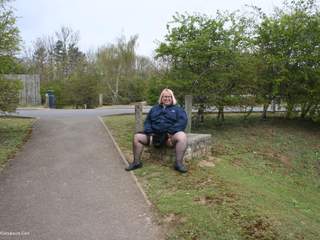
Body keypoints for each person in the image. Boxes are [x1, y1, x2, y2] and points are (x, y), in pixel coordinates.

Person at [125, 88, 188, 173]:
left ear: (172, 98)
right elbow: (147, 122)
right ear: (161, 98)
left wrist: (170, 132)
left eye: (169, 96)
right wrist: (150, 132)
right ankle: (136, 162)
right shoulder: (154, 109)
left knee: (182, 136)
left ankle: (178, 164)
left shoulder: (178, 109)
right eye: (165, 96)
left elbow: (182, 122)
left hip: (168, 138)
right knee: (137, 137)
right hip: (153, 137)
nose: (167, 98)